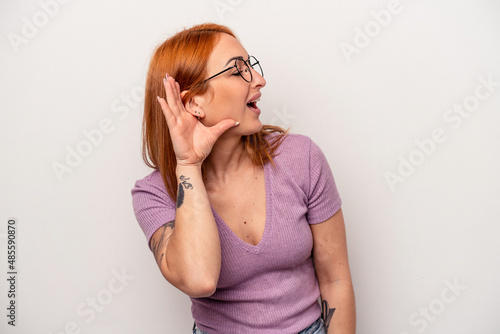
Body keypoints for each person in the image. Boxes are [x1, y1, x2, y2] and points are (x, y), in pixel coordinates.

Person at [131, 23, 356, 334]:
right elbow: (200, 280)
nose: (260, 80)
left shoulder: (301, 158)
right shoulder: (154, 195)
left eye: (251, 66)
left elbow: (336, 280)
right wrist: (188, 163)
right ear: (194, 102)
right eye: (238, 71)